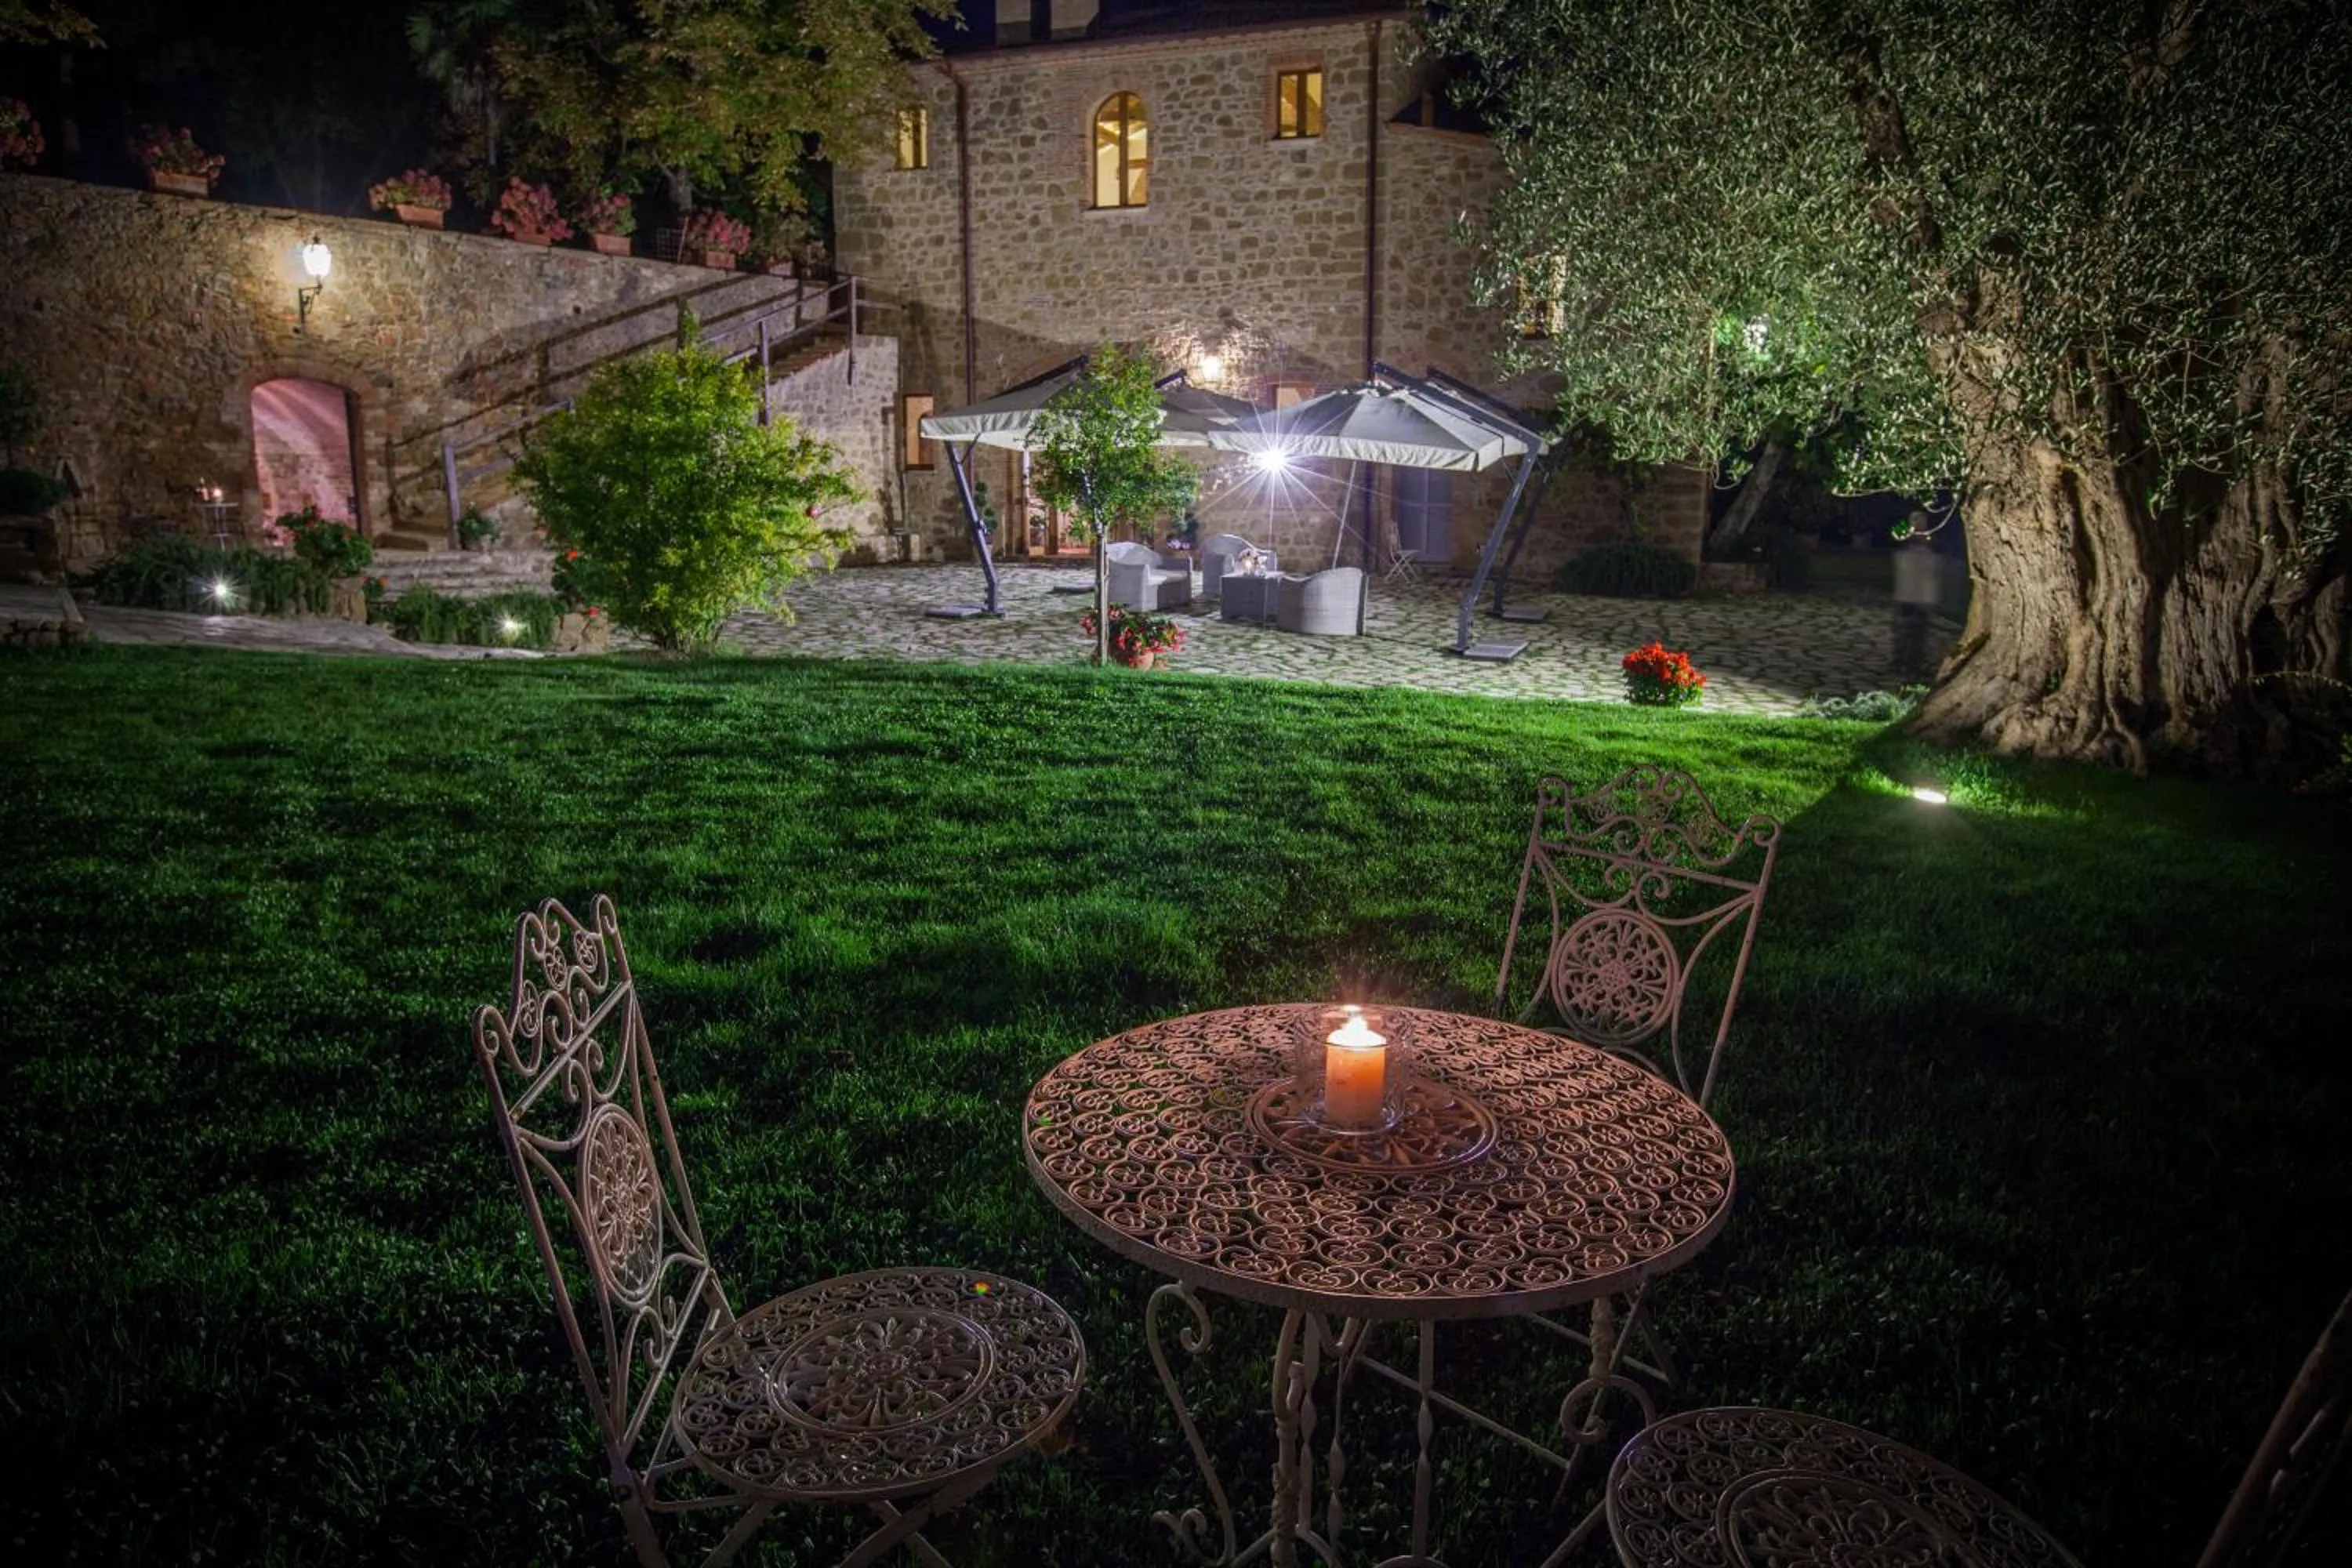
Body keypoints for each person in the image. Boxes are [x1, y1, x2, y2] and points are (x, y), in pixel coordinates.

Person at [1890, 515, 1944, 677]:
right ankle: (1901, 661)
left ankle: (1912, 663)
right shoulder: (1906, 547)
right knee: (1904, 631)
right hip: (1907, 595)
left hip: (1921, 597)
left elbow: (1934, 569)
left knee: (1918, 633)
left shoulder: (1930, 549)